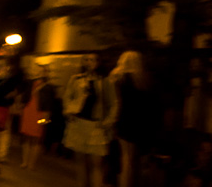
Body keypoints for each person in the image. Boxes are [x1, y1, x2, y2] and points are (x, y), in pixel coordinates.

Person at [63, 52, 118, 187]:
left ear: (98, 62)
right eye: (86, 60)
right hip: (79, 123)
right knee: (81, 162)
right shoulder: (76, 79)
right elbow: (67, 97)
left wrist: (108, 121)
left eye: (92, 60)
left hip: (96, 125)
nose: (89, 62)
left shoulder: (105, 81)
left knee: (96, 164)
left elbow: (114, 103)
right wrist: (69, 111)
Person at [110, 51, 151, 187]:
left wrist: (113, 121)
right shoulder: (142, 79)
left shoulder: (119, 77)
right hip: (138, 122)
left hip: (123, 119)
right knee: (133, 160)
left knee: (125, 159)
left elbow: (116, 101)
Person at [19, 61, 54, 171]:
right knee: (26, 136)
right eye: (37, 70)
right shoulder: (30, 83)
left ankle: (31, 163)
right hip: (28, 111)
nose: (38, 73)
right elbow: (24, 96)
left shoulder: (48, 87)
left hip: (40, 113)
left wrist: (46, 117)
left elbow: (49, 103)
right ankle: (25, 161)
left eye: (41, 71)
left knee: (36, 137)